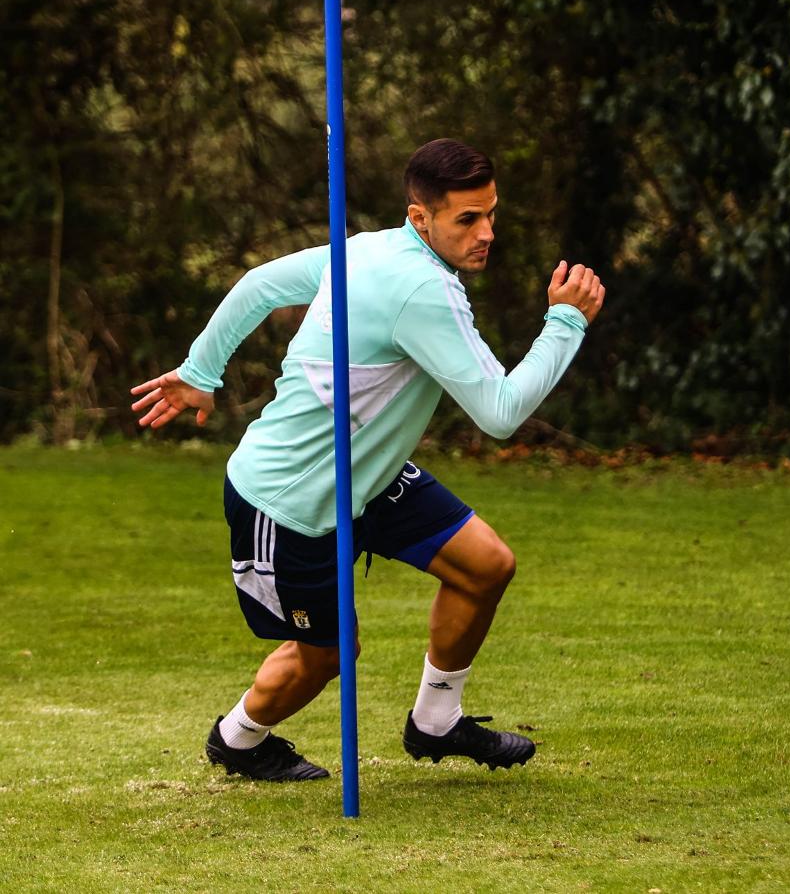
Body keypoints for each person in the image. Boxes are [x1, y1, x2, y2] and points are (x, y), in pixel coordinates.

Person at [131, 138, 605, 782]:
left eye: (491, 213)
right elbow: (499, 413)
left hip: (368, 477)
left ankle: (436, 723)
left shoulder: (367, 249)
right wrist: (566, 323)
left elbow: (257, 285)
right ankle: (238, 739)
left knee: (485, 566)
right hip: (293, 499)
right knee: (328, 654)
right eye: (468, 218)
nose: (486, 232)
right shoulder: (419, 289)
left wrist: (201, 371)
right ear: (421, 218)